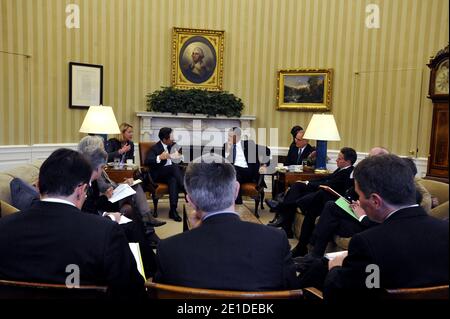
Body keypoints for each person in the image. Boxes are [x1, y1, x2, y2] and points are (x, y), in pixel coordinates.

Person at [300, 154, 449, 300]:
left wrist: (335, 266)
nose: (358, 201)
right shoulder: (444, 231)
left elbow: (343, 293)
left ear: (376, 201)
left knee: (317, 271)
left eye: (359, 195)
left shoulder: (368, 243)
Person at [0, 149, 144, 296]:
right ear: (81, 190)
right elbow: (133, 291)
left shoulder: (3, 227)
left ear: (38, 185)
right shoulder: (107, 233)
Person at [154, 157, 299, 290]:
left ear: (190, 201)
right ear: (236, 190)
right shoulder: (275, 240)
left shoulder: (168, 250)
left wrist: (196, 232)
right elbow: (293, 291)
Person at [269, 147, 356, 243]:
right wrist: (306, 181)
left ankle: (281, 208)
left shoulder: (348, 172)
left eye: (339, 158)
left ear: (348, 161)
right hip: (321, 191)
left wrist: (308, 184)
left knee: (303, 190)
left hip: (327, 196)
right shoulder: (340, 169)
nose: (336, 160)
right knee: (297, 185)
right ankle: (286, 225)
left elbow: (328, 184)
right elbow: (326, 179)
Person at [144, 127, 185, 222]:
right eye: (171, 137)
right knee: (173, 168)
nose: (174, 139)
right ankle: (184, 186)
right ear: (164, 139)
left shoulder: (174, 145)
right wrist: (160, 157)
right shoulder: (155, 148)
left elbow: (181, 160)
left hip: (170, 175)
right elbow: (147, 161)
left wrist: (180, 157)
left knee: (173, 180)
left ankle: (173, 210)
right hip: (158, 174)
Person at [222, 127, 271, 204]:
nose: (229, 138)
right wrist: (227, 152)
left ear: (238, 137)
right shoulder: (226, 146)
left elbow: (266, 150)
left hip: (248, 173)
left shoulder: (248, 144)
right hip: (235, 174)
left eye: (231, 136)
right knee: (233, 172)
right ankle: (234, 202)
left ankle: (236, 202)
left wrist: (264, 164)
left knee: (234, 170)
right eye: (228, 136)